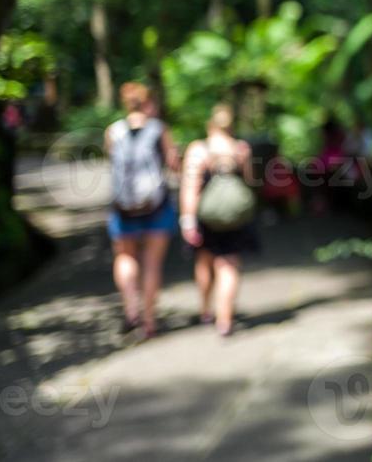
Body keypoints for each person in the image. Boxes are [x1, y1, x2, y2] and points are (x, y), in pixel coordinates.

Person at [105, 81, 179, 339]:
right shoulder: (159, 129)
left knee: (125, 257)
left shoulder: (113, 131)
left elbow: (112, 164)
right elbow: (173, 165)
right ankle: (149, 322)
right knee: (151, 264)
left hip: (123, 208)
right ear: (146, 102)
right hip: (156, 206)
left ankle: (131, 310)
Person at [180, 104, 258, 336]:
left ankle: (206, 310)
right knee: (228, 264)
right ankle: (225, 320)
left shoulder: (199, 149)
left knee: (204, 261)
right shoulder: (241, 148)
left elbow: (190, 188)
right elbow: (251, 181)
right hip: (233, 217)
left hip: (207, 216)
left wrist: (187, 219)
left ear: (210, 124)